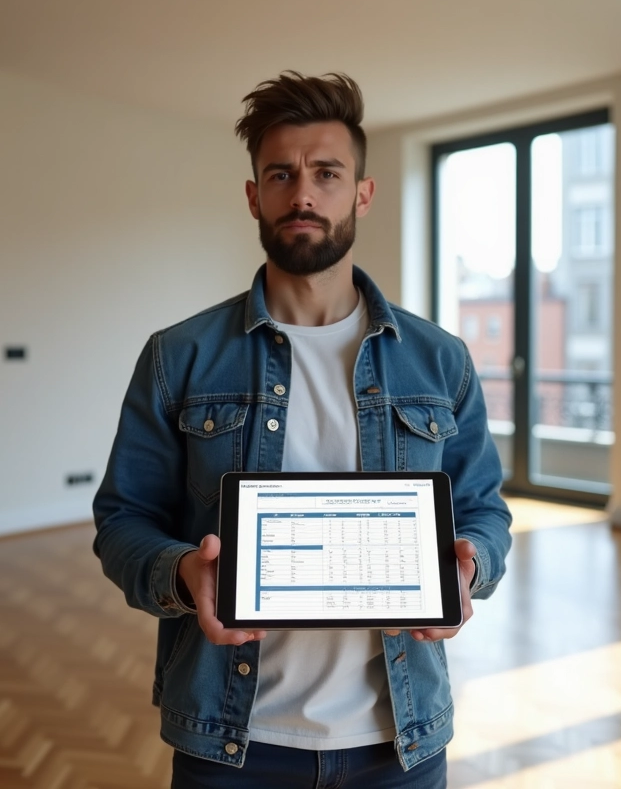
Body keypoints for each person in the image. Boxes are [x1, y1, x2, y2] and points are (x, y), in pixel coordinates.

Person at [92, 71, 512, 789]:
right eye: (281, 174)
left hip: (398, 743)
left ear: (363, 193)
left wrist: (468, 568)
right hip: (231, 744)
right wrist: (184, 572)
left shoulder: (441, 359)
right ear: (255, 195)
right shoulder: (179, 356)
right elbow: (123, 520)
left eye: (326, 172)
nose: (304, 193)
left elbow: (484, 511)